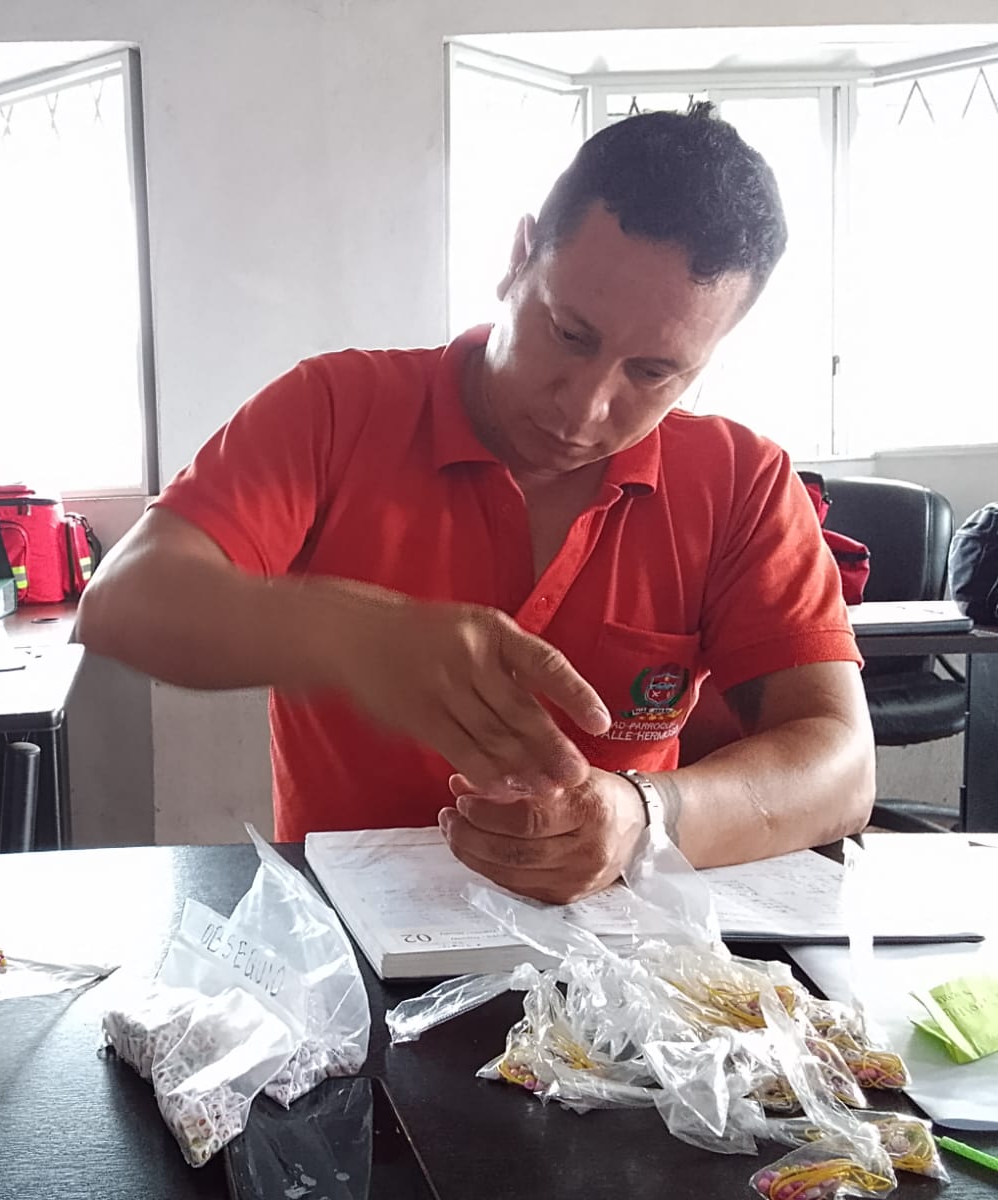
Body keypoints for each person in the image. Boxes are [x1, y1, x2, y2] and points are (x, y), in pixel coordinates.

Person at [78, 104, 874, 904]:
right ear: (519, 258)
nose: (586, 406)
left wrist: (644, 815)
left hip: (621, 942)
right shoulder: (336, 410)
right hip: (349, 937)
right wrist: (353, 635)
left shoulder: (739, 479)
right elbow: (123, 602)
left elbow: (840, 766)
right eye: (570, 334)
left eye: (654, 372)